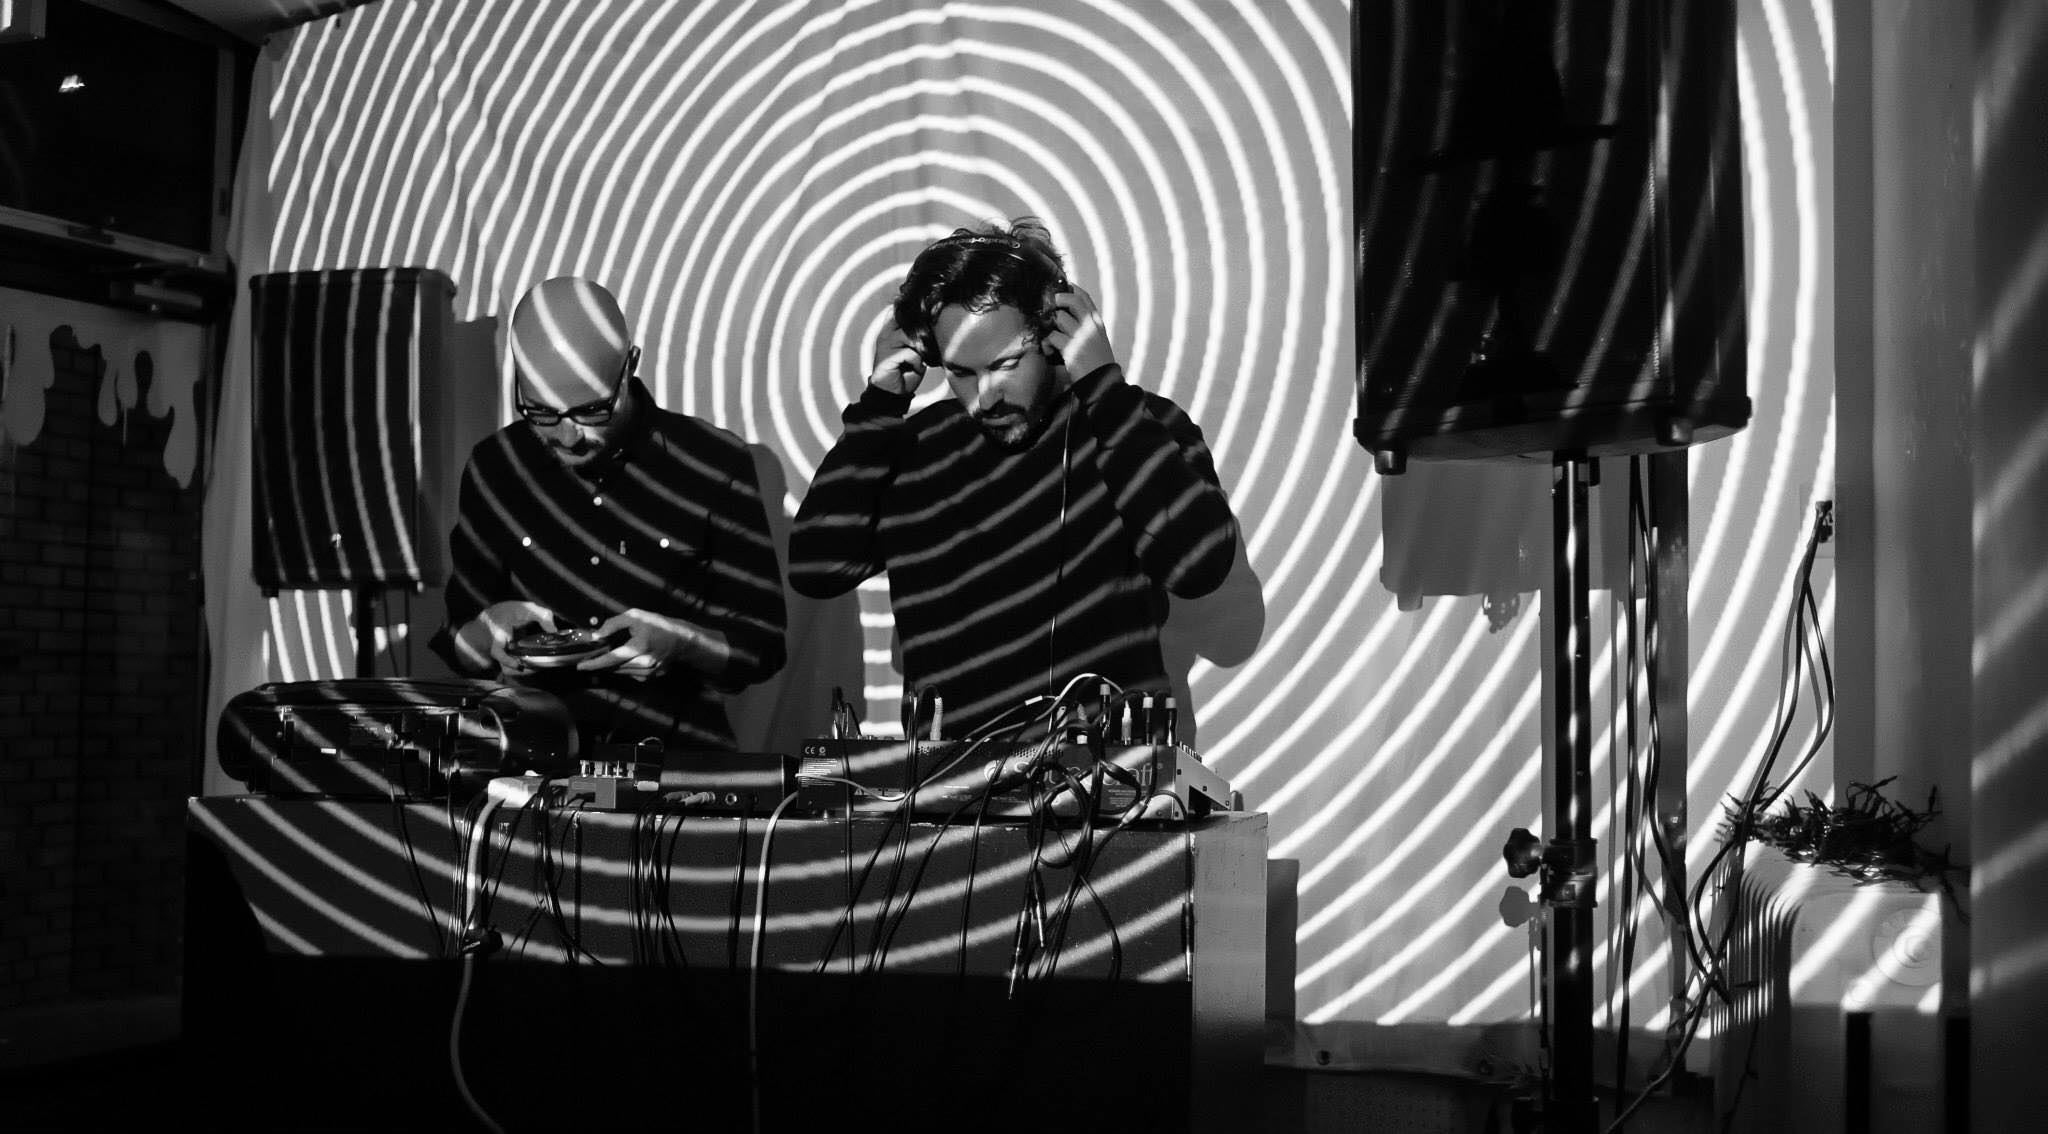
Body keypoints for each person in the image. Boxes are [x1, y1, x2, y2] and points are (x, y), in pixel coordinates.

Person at [788, 220, 1237, 737]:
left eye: (1006, 364)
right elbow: (817, 568)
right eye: (961, 373)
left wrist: (1104, 389)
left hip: (1105, 772)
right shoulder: (912, 448)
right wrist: (879, 407)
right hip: (949, 777)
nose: (986, 397)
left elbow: (1199, 568)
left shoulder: (1136, 427)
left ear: (1053, 336)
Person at [431, 276, 785, 751]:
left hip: (676, 762)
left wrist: (679, 642)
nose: (568, 436)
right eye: (541, 413)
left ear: (630, 366)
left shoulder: (715, 463)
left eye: (592, 411)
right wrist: (487, 632)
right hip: (532, 759)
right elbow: (459, 644)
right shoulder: (497, 468)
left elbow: (762, 646)